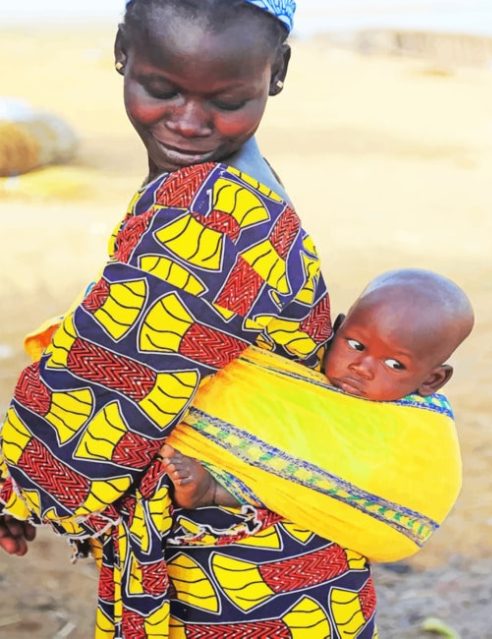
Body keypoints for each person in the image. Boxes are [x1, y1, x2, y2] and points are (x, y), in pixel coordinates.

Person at [0, 2, 380, 638]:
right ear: (122, 51)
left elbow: (113, 382)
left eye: (225, 100)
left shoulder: (212, 208)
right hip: (289, 566)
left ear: (277, 71)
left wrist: (18, 488)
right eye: (161, 88)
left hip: (241, 584)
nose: (187, 120)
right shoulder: (232, 174)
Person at [160, 268, 474, 512]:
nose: (362, 367)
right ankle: (214, 488)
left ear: (431, 381)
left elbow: (409, 492)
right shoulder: (296, 369)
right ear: (336, 330)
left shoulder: (420, 429)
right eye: (355, 345)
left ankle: (216, 493)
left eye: (394, 364)